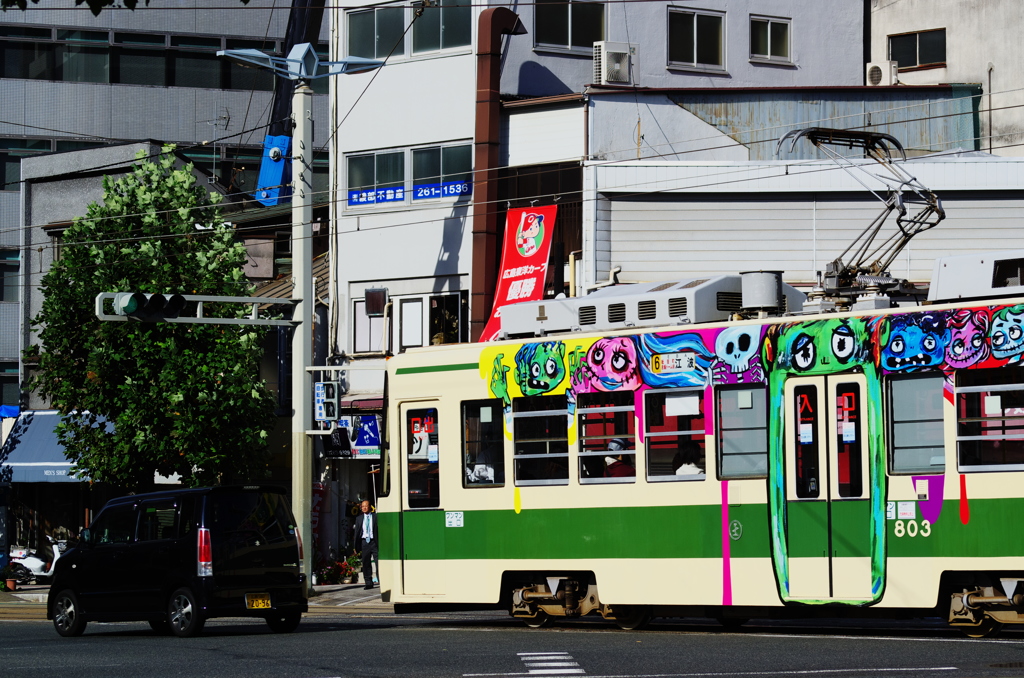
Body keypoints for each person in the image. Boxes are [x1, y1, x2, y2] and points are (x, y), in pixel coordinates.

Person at [357, 500, 379, 589]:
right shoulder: (359, 518)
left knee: (378, 562)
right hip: (364, 542)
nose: (364, 508)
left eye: (366, 506)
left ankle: (381, 580)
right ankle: (368, 583)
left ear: (370, 507)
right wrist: (356, 545)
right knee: (366, 563)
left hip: (374, 541)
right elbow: (357, 532)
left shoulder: (375, 517)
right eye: (363, 506)